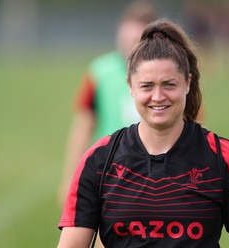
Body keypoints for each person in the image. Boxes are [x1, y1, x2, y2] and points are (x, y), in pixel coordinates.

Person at [58, 19, 229, 248]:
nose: (158, 96)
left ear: (187, 83)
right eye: (147, 86)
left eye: (169, 84)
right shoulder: (99, 161)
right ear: (130, 85)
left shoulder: (222, 159)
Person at [59, 1, 158, 206]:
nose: (129, 47)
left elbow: (193, 123)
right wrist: (70, 177)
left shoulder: (167, 72)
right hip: (110, 172)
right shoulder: (100, 71)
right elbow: (83, 125)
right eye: (126, 39)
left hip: (156, 173)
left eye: (136, 40)